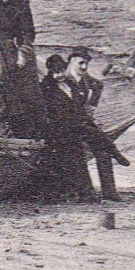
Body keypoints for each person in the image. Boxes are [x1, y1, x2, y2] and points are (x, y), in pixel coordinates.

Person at [66, 47, 129, 202]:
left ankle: (109, 192)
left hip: (82, 123)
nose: (84, 67)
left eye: (86, 64)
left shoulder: (85, 78)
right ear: (72, 61)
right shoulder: (64, 78)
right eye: (81, 63)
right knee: (79, 152)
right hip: (66, 124)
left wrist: (92, 106)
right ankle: (88, 192)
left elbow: (98, 85)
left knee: (102, 152)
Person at [0, 0, 43, 136]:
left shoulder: (21, 4)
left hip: (16, 47)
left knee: (3, 81)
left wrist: (23, 53)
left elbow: (29, 32)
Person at [37, 54, 93, 202]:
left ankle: (85, 194)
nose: (60, 75)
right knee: (56, 163)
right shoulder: (45, 87)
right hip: (56, 131)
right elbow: (45, 112)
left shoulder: (71, 83)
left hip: (72, 129)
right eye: (56, 71)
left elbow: (78, 104)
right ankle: (54, 195)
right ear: (49, 70)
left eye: (62, 70)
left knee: (78, 161)